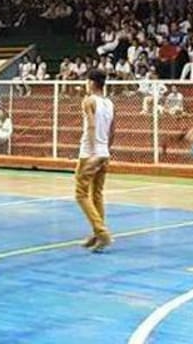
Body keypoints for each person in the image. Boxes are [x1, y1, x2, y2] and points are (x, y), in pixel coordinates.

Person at [75, 71, 115, 253]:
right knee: (97, 194)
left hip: (90, 152)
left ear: (91, 83)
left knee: (81, 194)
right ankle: (96, 233)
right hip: (104, 151)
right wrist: (105, 150)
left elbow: (91, 126)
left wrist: (93, 153)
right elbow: (112, 130)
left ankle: (102, 232)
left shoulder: (89, 101)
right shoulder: (109, 103)